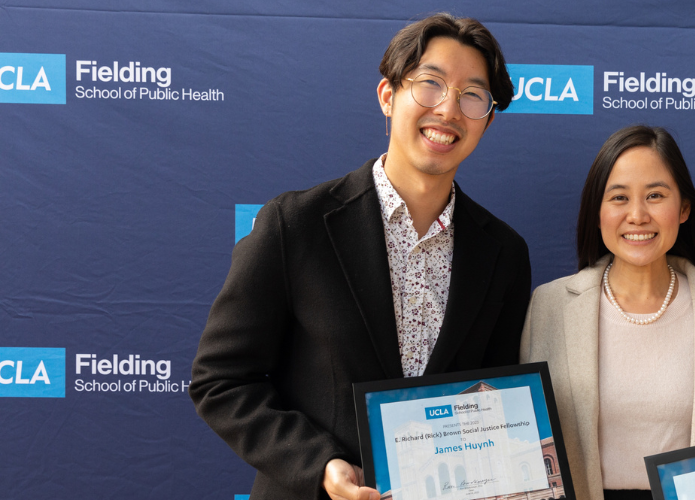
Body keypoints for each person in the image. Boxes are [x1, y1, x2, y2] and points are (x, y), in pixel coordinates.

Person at [189, 14, 531, 500]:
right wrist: (321, 465)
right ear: (388, 96)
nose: (449, 110)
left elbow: (494, 404)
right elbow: (220, 381)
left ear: (487, 120)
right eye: (430, 84)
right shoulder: (296, 224)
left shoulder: (503, 253)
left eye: (472, 95)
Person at [521, 125, 695, 500]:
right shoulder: (549, 306)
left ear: (683, 208)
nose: (638, 215)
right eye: (619, 198)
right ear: (597, 212)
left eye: (655, 195)